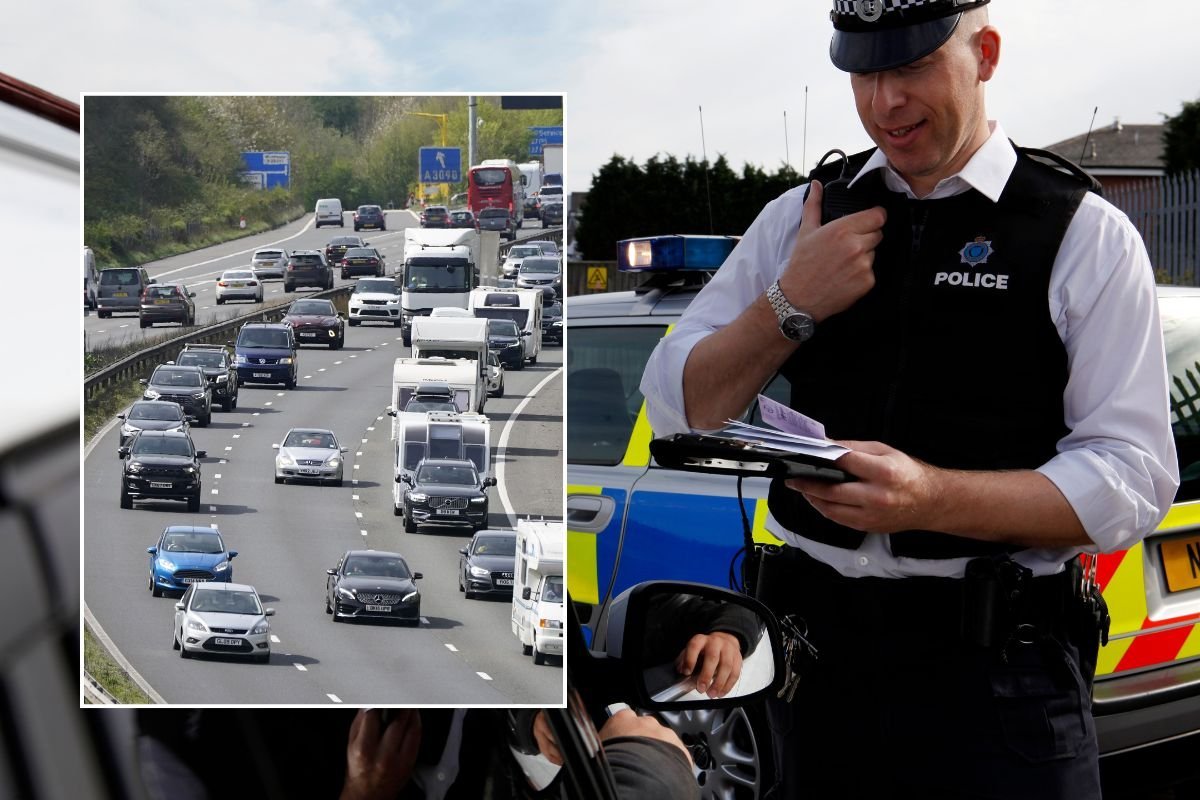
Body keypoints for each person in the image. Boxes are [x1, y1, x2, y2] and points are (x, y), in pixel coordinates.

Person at [640, 2, 1178, 798]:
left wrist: (929, 497)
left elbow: (1133, 478)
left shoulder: (1081, 232)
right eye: (863, 72)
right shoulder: (802, 217)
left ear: (985, 53)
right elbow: (680, 406)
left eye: (913, 66)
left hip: (1002, 681)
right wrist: (791, 304)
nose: (883, 101)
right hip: (815, 671)